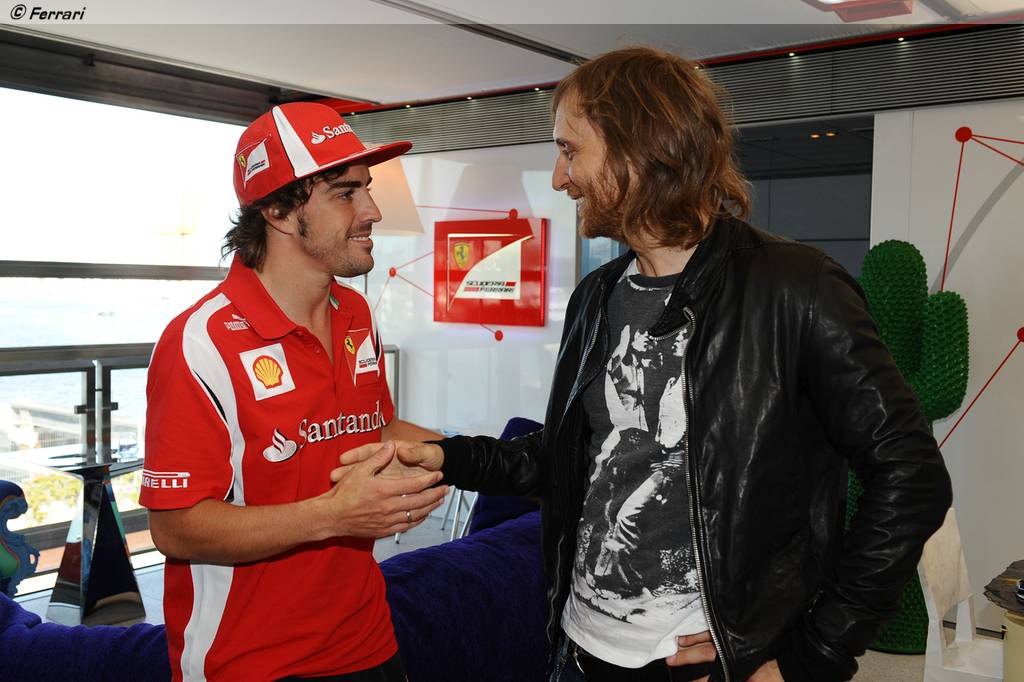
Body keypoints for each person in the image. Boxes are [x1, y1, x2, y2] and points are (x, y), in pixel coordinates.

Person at [339, 48, 953, 682]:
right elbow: (568, 457)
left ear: (639, 147)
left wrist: (809, 656)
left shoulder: (796, 287)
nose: (559, 178)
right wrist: (446, 457)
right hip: (579, 649)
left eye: (570, 150)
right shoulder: (597, 297)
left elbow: (910, 476)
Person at [140, 102, 446, 682]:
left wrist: (508, 462)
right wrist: (331, 516)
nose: (373, 210)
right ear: (278, 211)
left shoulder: (356, 313)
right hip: (252, 664)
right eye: (345, 193)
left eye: (367, 189)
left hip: (369, 639)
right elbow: (174, 528)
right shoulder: (199, 341)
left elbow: (375, 430)